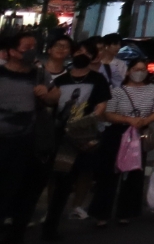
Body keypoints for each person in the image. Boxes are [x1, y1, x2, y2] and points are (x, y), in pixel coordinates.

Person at [40, 44, 109, 238]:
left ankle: (73, 209)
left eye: (86, 53)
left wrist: (86, 124)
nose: (82, 55)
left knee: (82, 173)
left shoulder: (98, 79)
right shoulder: (61, 80)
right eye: (78, 52)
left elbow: (101, 107)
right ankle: (51, 223)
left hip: (85, 137)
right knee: (60, 179)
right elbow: (50, 103)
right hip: (61, 137)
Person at [2, 30, 58, 244]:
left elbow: (55, 96)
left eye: (34, 47)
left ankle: (16, 234)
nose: (32, 52)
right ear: (12, 51)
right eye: (27, 48)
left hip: (29, 144)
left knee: (25, 193)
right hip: (3, 143)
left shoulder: (39, 75)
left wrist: (47, 94)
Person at [90, 62, 154, 225]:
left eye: (143, 69)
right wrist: (128, 120)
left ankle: (126, 212)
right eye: (136, 69)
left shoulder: (153, 89)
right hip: (117, 132)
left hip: (139, 132)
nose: (139, 72)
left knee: (134, 173)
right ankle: (101, 214)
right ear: (128, 71)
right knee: (109, 173)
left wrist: (144, 121)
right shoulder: (117, 91)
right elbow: (108, 114)